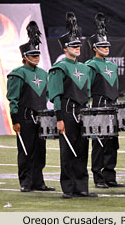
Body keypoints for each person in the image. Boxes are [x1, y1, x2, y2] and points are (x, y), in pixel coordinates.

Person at [48, 12, 97, 199]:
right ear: (65, 48)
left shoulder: (86, 68)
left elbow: (88, 93)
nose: (77, 48)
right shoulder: (59, 68)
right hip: (67, 113)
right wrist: (59, 118)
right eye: (73, 45)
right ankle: (68, 187)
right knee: (67, 151)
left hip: (83, 112)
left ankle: (82, 187)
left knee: (83, 150)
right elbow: (56, 95)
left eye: (78, 45)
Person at [7, 21, 55, 193]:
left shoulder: (43, 73)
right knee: (25, 151)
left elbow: (48, 94)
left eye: (37, 55)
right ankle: (25, 182)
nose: (36, 58)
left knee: (40, 152)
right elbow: (13, 98)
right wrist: (15, 119)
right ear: (25, 56)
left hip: (41, 117)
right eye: (33, 55)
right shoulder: (17, 74)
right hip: (25, 117)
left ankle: (38, 182)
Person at [85, 13, 124, 189]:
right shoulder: (90, 65)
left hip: (112, 106)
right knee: (99, 142)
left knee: (112, 142)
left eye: (107, 45)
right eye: (102, 45)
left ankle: (110, 175)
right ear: (94, 47)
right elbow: (87, 88)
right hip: (99, 105)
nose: (106, 47)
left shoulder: (113, 66)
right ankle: (98, 176)